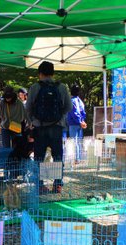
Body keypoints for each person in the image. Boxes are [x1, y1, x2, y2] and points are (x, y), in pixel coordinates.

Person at [26, 61, 72, 193]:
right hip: (57, 127)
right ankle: (57, 185)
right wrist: (59, 116)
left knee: (39, 157)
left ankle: (40, 185)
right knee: (57, 156)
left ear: (40, 73)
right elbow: (69, 107)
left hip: (39, 127)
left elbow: (28, 108)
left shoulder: (35, 87)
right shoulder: (61, 87)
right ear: (53, 73)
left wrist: (33, 121)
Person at [67, 85, 87, 163]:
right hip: (80, 123)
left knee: (74, 141)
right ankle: (78, 158)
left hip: (73, 123)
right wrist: (82, 121)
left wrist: (79, 121)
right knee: (79, 141)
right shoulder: (80, 100)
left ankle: (75, 159)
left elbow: (74, 113)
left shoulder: (72, 101)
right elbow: (82, 111)